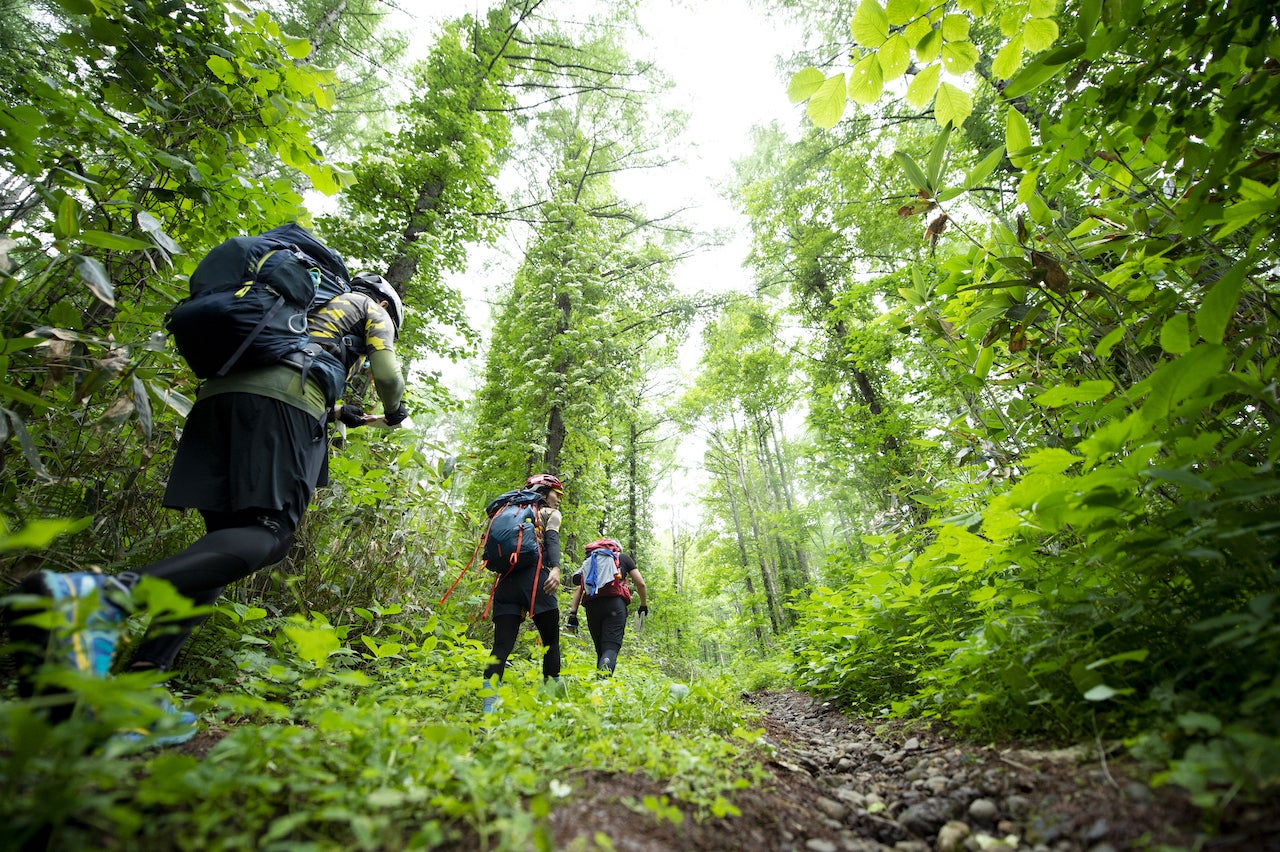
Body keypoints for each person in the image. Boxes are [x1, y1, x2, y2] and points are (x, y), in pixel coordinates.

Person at [5, 269, 409, 742]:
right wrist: (395, 407)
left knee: (218, 553)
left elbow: (285, 363)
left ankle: (140, 689)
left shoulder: (296, 310)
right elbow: (387, 373)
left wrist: (341, 412)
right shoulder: (368, 306)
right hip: (281, 405)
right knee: (270, 533)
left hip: (219, 401)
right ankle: (102, 597)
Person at [482, 473, 565, 713]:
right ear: (543, 492)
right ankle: (552, 707)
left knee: (500, 647)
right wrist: (556, 569)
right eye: (556, 494)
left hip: (506, 584)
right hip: (537, 580)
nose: (559, 500)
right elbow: (552, 540)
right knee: (551, 642)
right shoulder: (547, 513)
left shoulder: (506, 511)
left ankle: (488, 712)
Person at [565, 541, 647, 675]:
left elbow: (580, 588)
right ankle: (603, 684)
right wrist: (643, 605)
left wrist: (573, 614)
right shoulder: (623, 558)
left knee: (600, 650)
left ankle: (598, 687)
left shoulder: (592, 561)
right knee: (610, 648)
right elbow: (641, 584)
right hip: (615, 605)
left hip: (592, 606)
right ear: (618, 549)